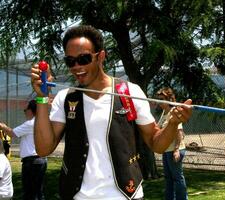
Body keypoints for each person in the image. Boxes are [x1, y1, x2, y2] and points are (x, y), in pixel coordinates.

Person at [30, 25, 193, 200]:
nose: (76, 66)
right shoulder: (66, 98)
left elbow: (156, 144)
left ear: (100, 56)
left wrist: (173, 123)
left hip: (127, 195)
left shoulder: (130, 92)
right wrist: (41, 99)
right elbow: (43, 149)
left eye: (84, 59)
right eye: (70, 61)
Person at [0, 100, 47, 200]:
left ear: (31, 110)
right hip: (41, 160)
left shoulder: (30, 123)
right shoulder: (43, 122)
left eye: (25, 110)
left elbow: (12, 133)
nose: (24, 112)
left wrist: (2, 126)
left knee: (29, 193)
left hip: (32, 162)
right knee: (38, 192)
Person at [156, 87, 188, 200]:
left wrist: (176, 150)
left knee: (177, 178)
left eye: (162, 99)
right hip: (166, 150)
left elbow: (179, 132)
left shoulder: (174, 112)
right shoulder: (164, 113)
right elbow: (158, 128)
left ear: (169, 99)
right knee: (169, 179)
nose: (159, 102)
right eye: (158, 99)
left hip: (174, 150)